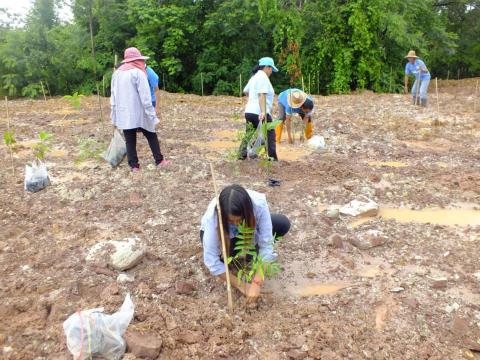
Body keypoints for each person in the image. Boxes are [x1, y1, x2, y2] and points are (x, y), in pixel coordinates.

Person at [200, 184, 290, 302]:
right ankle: (231, 255)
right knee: (227, 261)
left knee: (282, 223)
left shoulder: (258, 204)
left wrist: (256, 282)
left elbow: (266, 245)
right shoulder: (214, 218)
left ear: (247, 211)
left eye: (239, 219)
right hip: (226, 238)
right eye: (231, 220)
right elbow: (212, 261)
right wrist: (242, 285)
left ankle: (252, 255)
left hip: (249, 233)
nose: (237, 224)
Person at [110, 47, 169, 171]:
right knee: (151, 135)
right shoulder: (138, 73)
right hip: (140, 112)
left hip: (124, 113)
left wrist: (114, 117)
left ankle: (134, 166)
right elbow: (145, 97)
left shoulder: (117, 74)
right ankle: (159, 160)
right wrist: (152, 115)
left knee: (130, 140)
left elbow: (113, 97)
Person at [239, 57, 278, 160]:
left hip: (249, 111)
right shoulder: (263, 77)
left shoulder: (254, 77)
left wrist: (252, 100)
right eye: (271, 69)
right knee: (270, 135)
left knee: (249, 133)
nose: (271, 72)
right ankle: (272, 158)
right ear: (267, 67)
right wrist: (263, 112)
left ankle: (241, 155)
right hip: (260, 112)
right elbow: (262, 95)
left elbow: (245, 90)